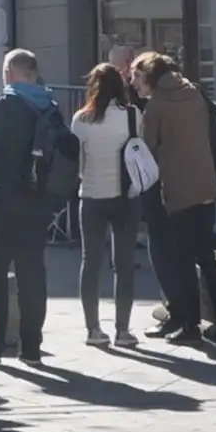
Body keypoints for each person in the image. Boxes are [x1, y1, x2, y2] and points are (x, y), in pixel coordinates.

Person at [0, 52, 61, 364]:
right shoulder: (51, 107)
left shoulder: (2, 104)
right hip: (37, 204)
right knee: (32, 276)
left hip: (0, 203)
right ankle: (31, 347)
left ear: (8, 72)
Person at [137, 54, 216, 347]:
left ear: (150, 78)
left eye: (138, 77)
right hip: (206, 185)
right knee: (207, 257)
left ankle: (190, 324)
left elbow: (147, 149)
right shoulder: (194, 93)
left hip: (179, 189)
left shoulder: (157, 105)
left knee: (183, 260)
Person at [70, 63, 149, 348]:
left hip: (91, 196)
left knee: (90, 263)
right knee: (124, 265)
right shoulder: (132, 115)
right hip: (125, 196)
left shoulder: (81, 119)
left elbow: (78, 161)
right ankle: (123, 331)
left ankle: (93, 329)